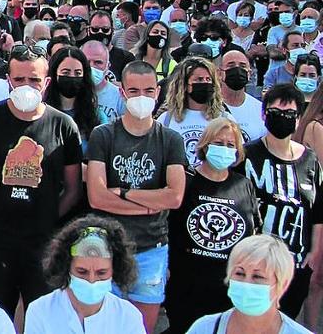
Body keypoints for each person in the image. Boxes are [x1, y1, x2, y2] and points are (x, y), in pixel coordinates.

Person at [0, 45, 83, 318]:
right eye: (19, 79)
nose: (27, 86)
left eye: (35, 79)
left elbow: (73, 188)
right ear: (8, 81)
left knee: (43, 317)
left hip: (43, 244)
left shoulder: (64, 127)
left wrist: (48, 217)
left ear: (47, 83)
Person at [84, 58, 187, 331]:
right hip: (107, 247)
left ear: (158, 92)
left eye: (149, 91)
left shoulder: (170, 140)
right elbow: (97, 197)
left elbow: (175, 197)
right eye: (134, 91)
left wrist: (124, 193)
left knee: (142, 327)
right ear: (122, 91)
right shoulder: (103, 136)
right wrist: (151, 202)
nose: (142, 97)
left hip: (151, 249)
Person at [166, 117, 261, 333]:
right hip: (186, 286)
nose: (224, 149)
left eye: (230, 145)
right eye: (218, 143)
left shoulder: (243, 185)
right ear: (205, 145)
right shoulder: (186, 181)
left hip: (227, 289)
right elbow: (169, 227)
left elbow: (252, 232)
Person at [243, 83, 323, 319]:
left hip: (295, 263)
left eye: (289, 114)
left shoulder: (310, 160)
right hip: (254, 261)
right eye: (275, 113)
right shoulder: (247, 155)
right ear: (263, 114)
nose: (282, 119)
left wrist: (315, 251)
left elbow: (317, 210)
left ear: (299, 118)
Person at [24, 216, 144, 333]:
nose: (91, 280)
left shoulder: (129, 317)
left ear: (115, 270)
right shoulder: (40, 311)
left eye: (101, 273)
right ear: (66, 267)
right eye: (82, 272)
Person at [183, 234, 312, 334]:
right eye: (239, 274)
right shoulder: (205, 328)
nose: (246, 283)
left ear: (282, 285)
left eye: (257, 276)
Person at [158, 56, 230, 167]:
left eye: (208, 79)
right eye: (199, 79)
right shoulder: (166, 120)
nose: (205, 83)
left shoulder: (225, 118)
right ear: (185, 85)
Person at [43, 46, 102, 145]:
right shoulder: (42, 113)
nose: (72, 76)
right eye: (66, 72)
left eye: (77, 73)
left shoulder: (96, 116)